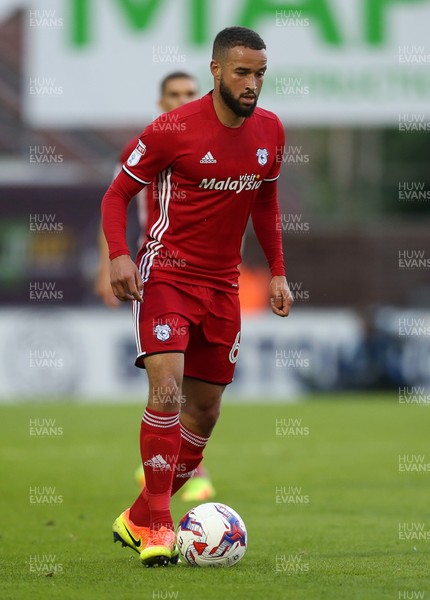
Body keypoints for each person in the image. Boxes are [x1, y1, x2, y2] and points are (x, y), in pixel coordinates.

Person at [102, 26, 294, 567]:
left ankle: (138, 514)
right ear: (216, 71)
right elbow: (117, 195)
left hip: (222, 285)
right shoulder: (171, 129)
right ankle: (159, 525)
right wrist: (118, 255)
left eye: (259, 73)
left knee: (204, 412)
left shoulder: (272, 131)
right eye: (242, 72)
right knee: (167, 390)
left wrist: (277, 271)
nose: (252, 83)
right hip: (166, 275)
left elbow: (266, 202)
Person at [95, 72, 215, 502]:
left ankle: (165, 475)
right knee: (169, 385)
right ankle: (178, 479)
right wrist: (108, 262)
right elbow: (115, 200)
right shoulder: (145, 145)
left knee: (194, 392)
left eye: (189, 93)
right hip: (155, 271)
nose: (183, 100)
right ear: (161, 101)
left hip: (206, 277)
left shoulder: (209, 143)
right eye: (174, 95)